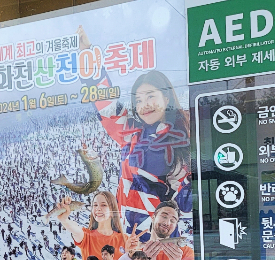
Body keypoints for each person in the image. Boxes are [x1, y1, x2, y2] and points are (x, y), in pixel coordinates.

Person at [78, 26, 192, 242]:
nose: (144, 105)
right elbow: (107, 105)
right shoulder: (132, 133)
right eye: (138, 100)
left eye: (150, 96)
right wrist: (89, 56)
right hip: (128, 233)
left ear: (166, 98)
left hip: (159, 237)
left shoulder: (182, 136)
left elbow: (186, 202)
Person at [56, 192, 127, 260]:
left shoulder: (125, 239)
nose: (98, 209)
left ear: (112, 211)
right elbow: (76, 230)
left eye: (103, 205)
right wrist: (64, 219)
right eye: (95, 205)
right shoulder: (86, 237)